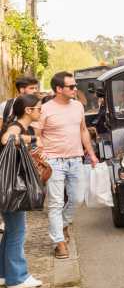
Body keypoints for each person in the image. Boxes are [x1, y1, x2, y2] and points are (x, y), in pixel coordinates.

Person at [33, 72, 98, 259]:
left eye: (75, 85)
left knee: (78, 198)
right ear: (59, 89)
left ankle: (62, 224)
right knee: (55, 203)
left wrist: (91, 154)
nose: (75, 89)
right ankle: (59, 242)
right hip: (53, 162)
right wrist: (41, 154)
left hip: (76, 159)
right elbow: (36, 134)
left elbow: (83, 130)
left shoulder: (78, 106)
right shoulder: (45, 109)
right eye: (71, 86)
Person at [0, 94, 44, 288]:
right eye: (39, 109)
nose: (40, 112)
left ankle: (3, 274)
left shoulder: (20, 126)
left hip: (9, 187)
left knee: (11, 232)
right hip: (12, 188)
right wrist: (33, 138)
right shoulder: (16, 127)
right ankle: (17, 277)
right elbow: (6, 138)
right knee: (17, 232)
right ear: (28, 110)